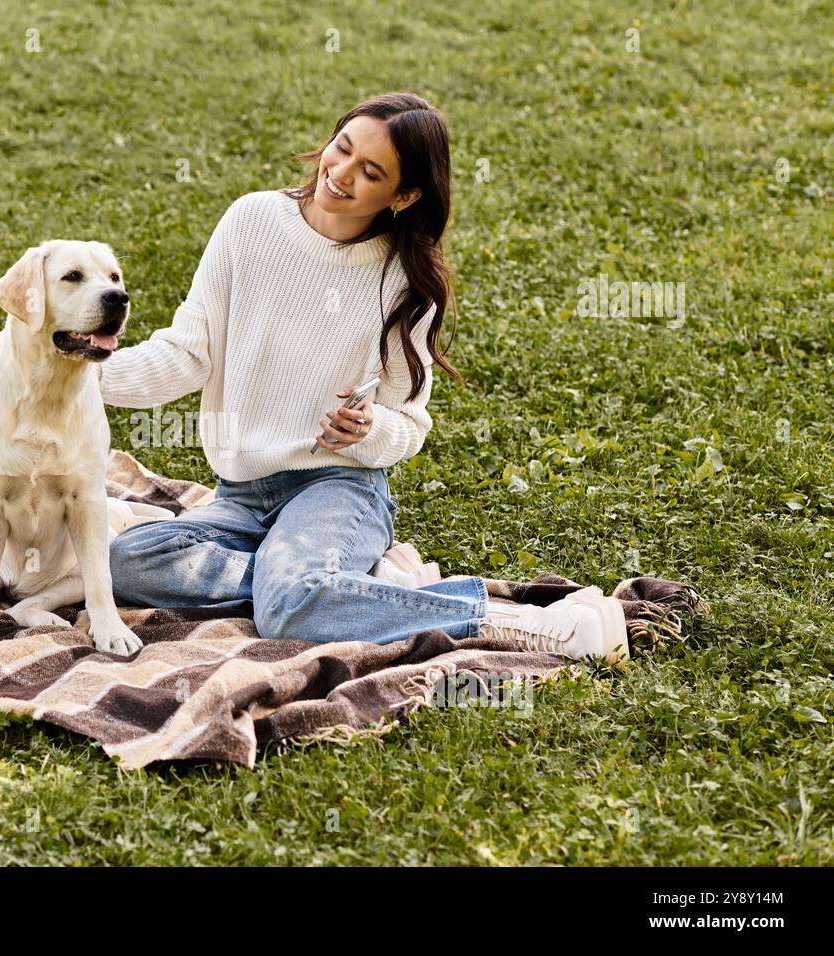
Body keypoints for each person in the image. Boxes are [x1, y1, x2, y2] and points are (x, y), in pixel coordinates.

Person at [98, 92, 628, 663]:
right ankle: (332, 588)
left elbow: (409, 425)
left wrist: (368, 426)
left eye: (370, 172)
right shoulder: (250, 221)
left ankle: (497, 618)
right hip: (242, 494)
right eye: (341, 148)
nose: (340, 174)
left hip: (337, 488)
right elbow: (186, 353)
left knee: (285, 610)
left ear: (402, 197)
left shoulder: (406, 283)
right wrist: (77, 376)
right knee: (122, 563)